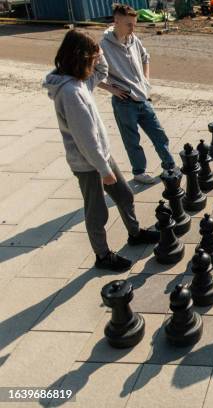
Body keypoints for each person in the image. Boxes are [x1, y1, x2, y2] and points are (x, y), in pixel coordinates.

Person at [43, 29, 159, 272]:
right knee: (96, 212)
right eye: (93, 56)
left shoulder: (80, 81)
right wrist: (104, 169)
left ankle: (135, 233)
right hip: (88, 164)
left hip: (100, 157)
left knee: (125, 195)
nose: (96, 60)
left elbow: (103, 72)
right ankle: (103, 256)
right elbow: (85, 139)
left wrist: (101, 53)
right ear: (80, 57)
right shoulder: (71, 92)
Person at [98, 3, 176, 184]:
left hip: (143, 98)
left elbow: (145, 57)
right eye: (129, 24)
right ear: (116, 21)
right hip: (124, 102)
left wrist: (145, 80)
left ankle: (170, 165)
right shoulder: (103, 46)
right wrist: (111, 89)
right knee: (132, 140)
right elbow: (90, 74)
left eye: (134, 24)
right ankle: (139, 172)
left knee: (159, 135)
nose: (133, 28)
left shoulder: (134, 39)